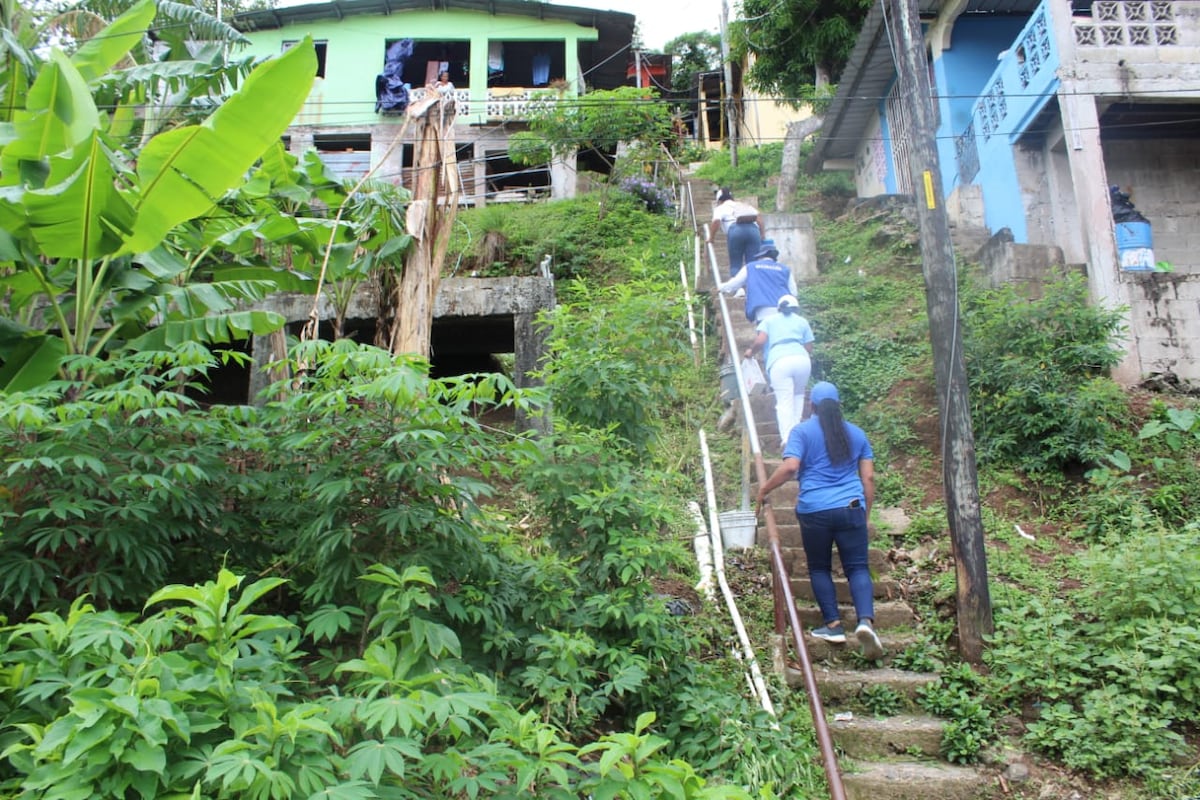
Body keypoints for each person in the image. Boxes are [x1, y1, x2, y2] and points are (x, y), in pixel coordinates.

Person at [755, 381, 883, 660]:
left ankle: (833, 625)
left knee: (819, 567)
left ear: (811, 405)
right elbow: (868, 478)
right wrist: (865, 512)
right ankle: (865, 622)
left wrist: (765, 489)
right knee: (858, 567)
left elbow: (790, 467)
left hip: (815, 510)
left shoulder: (801, 432)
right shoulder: (857, 434)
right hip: (850, 507)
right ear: (838, 405)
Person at [743, 295, 813, 442]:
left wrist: (750, 352)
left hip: (779, 361)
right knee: (798, 395)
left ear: (779, 307)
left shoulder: (769, 320)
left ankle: (788, 438)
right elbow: (809, 347)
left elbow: (761, 340)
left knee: (784, 400)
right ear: (795, 308)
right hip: (802, 360)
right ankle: (798, 434)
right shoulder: (802, 321)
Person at [717, 240, 797, 322]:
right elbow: (793, 292)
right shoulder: (785, 269)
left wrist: (721, 288)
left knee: (764, 333)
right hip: (783, 311)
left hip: (762, 311)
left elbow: (735, 283)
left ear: (760, 256)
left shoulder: (751, 267)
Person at [708, 188, 763, 278]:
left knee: (736, 263)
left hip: (735, 231)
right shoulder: (743, 205)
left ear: (720, 200)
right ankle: (753, 286)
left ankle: (738, 289)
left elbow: (716, 222)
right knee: (753, 263)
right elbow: (759, 217)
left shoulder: (720, 208)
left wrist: (711, 238)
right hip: (753, 231)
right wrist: (763, 235)